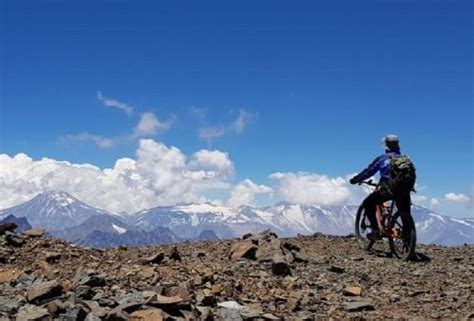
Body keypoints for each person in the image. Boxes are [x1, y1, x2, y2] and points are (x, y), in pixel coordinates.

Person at [349, 135, 416, 240]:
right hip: (404, 190)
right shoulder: (405, 159)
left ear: (386, 146)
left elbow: (368, 172)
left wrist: (355, 179)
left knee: (368, 203)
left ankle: (375, 231)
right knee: (405, 214)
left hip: (388, 190)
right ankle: (408, 240)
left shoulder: (383, 159)